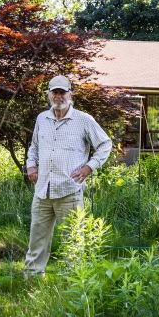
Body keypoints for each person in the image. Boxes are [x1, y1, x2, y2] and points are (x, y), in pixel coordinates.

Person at [23, 75, 112, 275]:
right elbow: (34, 146)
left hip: (69, 191)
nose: (58, 96)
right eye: (55, 92)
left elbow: (105, 144)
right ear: (49, 94)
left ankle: (73, 283)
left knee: (73, 242)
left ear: (70, 94)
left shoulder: (83, 120)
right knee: (36, 242)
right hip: (42, 191)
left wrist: (89, 167)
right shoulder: (42, 119)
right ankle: (31, 281)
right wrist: (31, 166)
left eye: (62, 92)